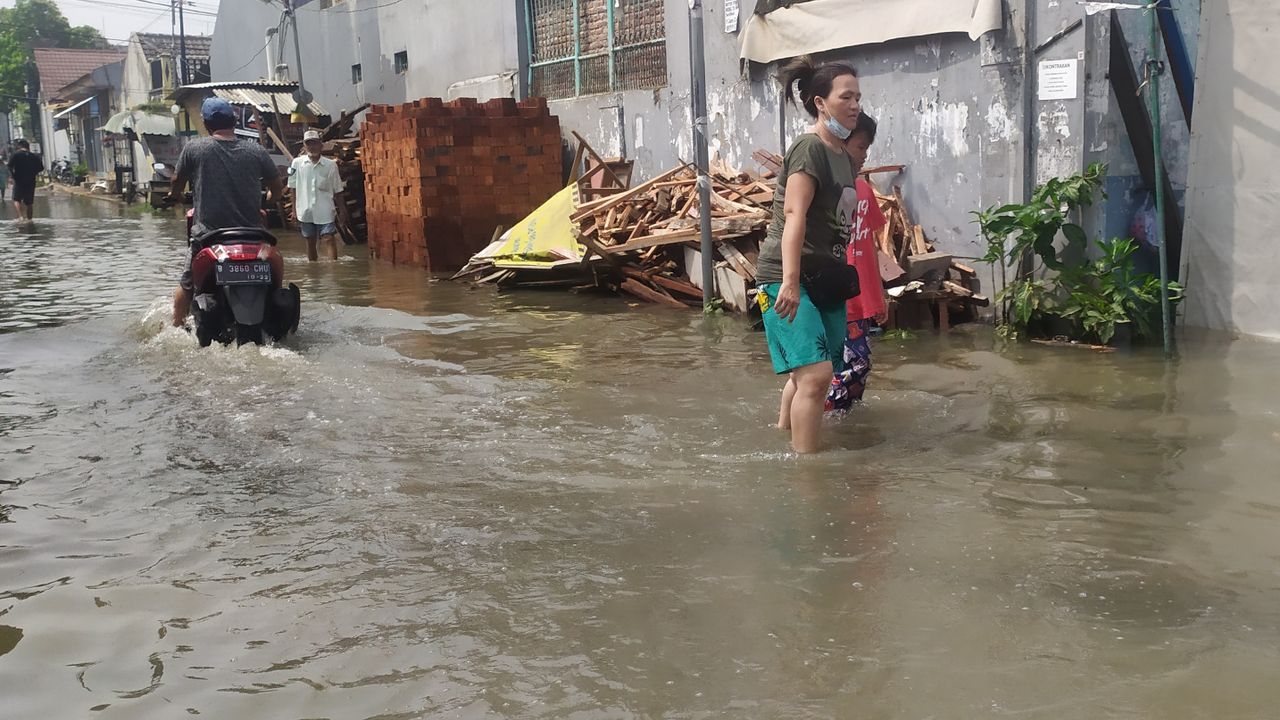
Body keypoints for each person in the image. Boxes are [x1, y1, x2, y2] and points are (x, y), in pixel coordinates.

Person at [755, 56, 862, 454]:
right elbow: (794, 214)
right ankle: (807, 471)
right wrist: (788, 282)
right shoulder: (809, 148)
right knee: (816, 376)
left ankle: (784, 431)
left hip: (826, 278)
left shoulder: (844, 158)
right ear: (820, 102)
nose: (855, 105)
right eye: (846, 97)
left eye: (858, 97)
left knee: (816, 373)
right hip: (788, 275)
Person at [169, 97, 285, 327]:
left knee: (186, 285)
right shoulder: (256, 150)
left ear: (207, 124)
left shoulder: (194, 148)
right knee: (277, 281)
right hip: (253, 236)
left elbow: (177, 182)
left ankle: (176, 327)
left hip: (208, 236)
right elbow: (276, 186)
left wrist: (176, 196)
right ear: (233, 121)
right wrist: (273, 197)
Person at [827, 112, 888, 412]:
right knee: (854, 366)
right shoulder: (826, 188)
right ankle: (823, 417)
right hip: (836, 299)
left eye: (867, 148)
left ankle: (842, 424)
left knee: (857, 371)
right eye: (860, 147)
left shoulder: (864, 190)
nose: (865, 155)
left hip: (861, 299)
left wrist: (879, 297)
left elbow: (871, 248)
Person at [288, 129, 348, 261]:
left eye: (314, 143)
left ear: (320, 145)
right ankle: (313, 269)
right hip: (305, 209)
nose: (312, 147)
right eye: (309, 144)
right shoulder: (297, 164)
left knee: (329, 238)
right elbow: (292, 187)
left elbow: (338, 189)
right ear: (304, 146)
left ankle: (333, 269)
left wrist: (342, 210)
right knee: (310, 240)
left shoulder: (330, 165)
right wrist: (293, 210)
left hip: (325, 209)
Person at [8, 140, 45, 221]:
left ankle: (21, 217)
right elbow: (41, 168)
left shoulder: (15, 155)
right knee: (29, 203)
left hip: (19, 180)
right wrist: (33, 172)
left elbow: (10, 166)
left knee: (16, 199)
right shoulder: (34, 156)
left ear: (19, 147)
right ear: (28, 147)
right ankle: (30, 220)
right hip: (31, 181)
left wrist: (12, 176)